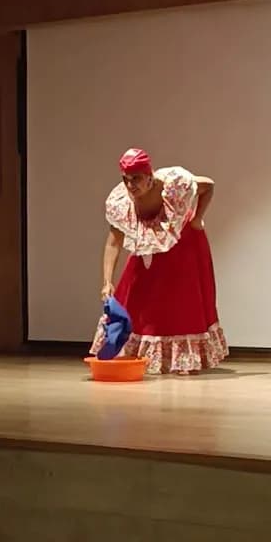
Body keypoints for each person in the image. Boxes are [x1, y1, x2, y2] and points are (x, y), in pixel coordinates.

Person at [91, 147, 227, 374]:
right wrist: (107, 281)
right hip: (149, 247)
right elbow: (113, 243)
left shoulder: (173, 184)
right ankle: (133, 351)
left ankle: (183, 360)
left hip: (183, 244)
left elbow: (208, 185)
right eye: (126, 180)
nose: (130, 185)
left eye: (136, 179)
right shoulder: (122, 202)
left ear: (149, 176)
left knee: (180, 302)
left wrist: (197, 219)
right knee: (136, 296)